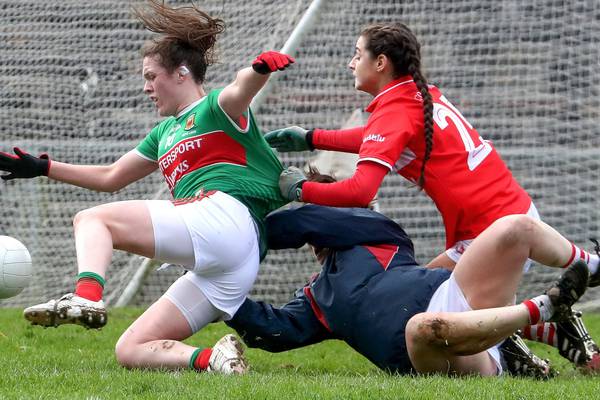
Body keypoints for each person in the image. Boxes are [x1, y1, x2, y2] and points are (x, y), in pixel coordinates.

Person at [0, 0, 294, 374]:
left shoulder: (214, 108)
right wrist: (43, 168)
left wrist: (259, 69)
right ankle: (213, 359)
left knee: (91, 220)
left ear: (182, 73)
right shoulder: (163, 133)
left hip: (225, 219)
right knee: (131, 348)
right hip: (232, 262)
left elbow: (240, 89)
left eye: (151, 76)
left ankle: (87, 297)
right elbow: (111, 178)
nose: (146, 87)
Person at [265, 22, 600, 280]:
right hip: (511, 213)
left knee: (422, 309)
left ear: (380, 62)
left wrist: (301, 189)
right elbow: (376, 137)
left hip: (493, 232)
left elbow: (361, 190)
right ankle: (586, 271)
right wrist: (311, 138)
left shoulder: (395, 112)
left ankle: (555, 314)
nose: (351, 63)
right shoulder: (415, 95)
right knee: (444, 307)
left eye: (357, 53)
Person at [226, 202, 597, 377]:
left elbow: (307, 220)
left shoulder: (380, 233)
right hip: (440, 355)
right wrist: (219, 290)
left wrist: (250, 234)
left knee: (516, 226)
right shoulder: (315, 301)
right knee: (419, 327)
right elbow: (271, 331)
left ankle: (591, 268)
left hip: (460, 297)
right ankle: (545, 312)